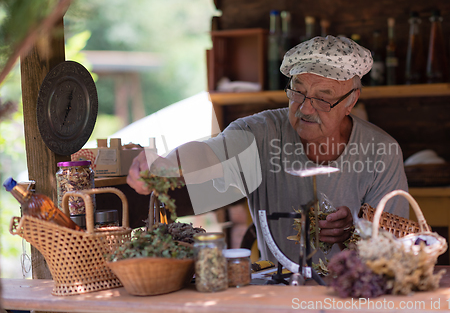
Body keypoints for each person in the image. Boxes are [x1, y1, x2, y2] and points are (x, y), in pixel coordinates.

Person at [127, 35, 409, 262]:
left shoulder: (382, 152)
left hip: (354, 296)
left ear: (351, 100)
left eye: (324, 98)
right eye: (298, 92)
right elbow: (211, 152)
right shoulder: (260, 133)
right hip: (278, 291)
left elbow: (393, 247)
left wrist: (353, 232)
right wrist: (165, 163)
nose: (306, 108)